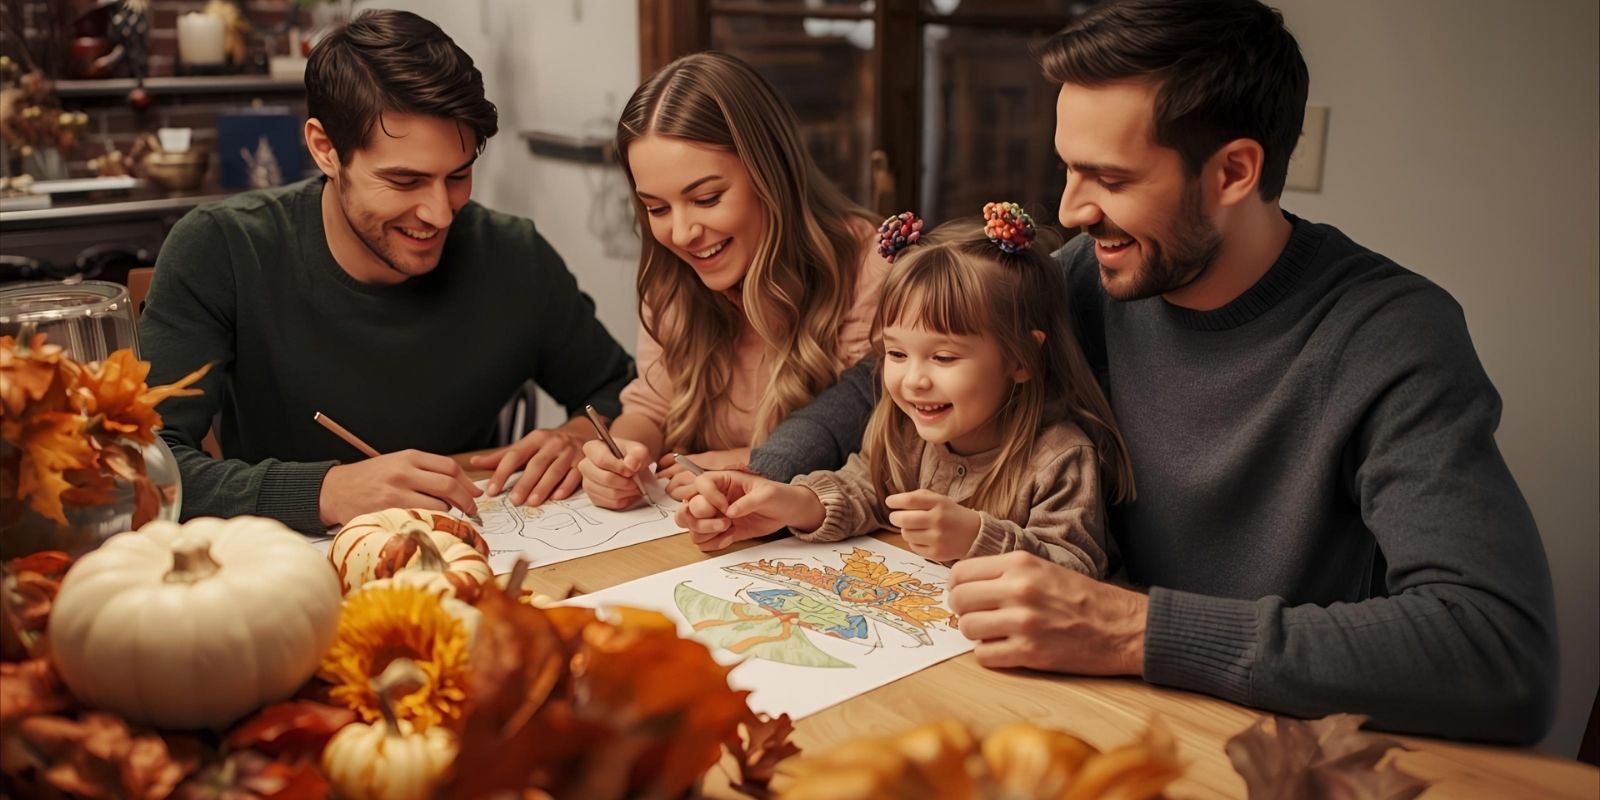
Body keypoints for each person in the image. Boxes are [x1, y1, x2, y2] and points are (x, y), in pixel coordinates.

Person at [748, 0, 1558, 743]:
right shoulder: (1088, 275)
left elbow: (1499, 654)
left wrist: (1129, 628)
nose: (1071, 210)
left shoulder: (1392, 336)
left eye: (1111, 178)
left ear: (1233, 172)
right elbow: (880, 382)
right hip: (1074, 712)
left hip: (1261, 746)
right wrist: (765, 479)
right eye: (1068, 169)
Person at [139, 10, 634, 535]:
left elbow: (620, 391)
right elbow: (140, 465)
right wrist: (325, 491)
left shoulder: (514, 255)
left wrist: (580, 437)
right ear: (325, 149)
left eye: (458, 176)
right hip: (290, 562)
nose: (440, 214)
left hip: (477, 549)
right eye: (404, 181)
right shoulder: (222, 248)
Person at [676, 205, 1134, 576]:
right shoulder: (905, 431)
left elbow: (1076, 574)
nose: (914, 380)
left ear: (1021, 359)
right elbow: (862, 490)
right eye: (896, 354)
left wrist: (977, 539)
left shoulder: (1059, 458)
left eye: (944, 357)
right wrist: (787, 503)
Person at [577, 51, 890, 510]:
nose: (681, 233)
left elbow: (885, 438)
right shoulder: (671, 278)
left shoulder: (873, 268)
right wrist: (621, 455)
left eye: (706, 198)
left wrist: (757, 462)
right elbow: (650, 407)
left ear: (771, 173)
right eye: (656, 208)